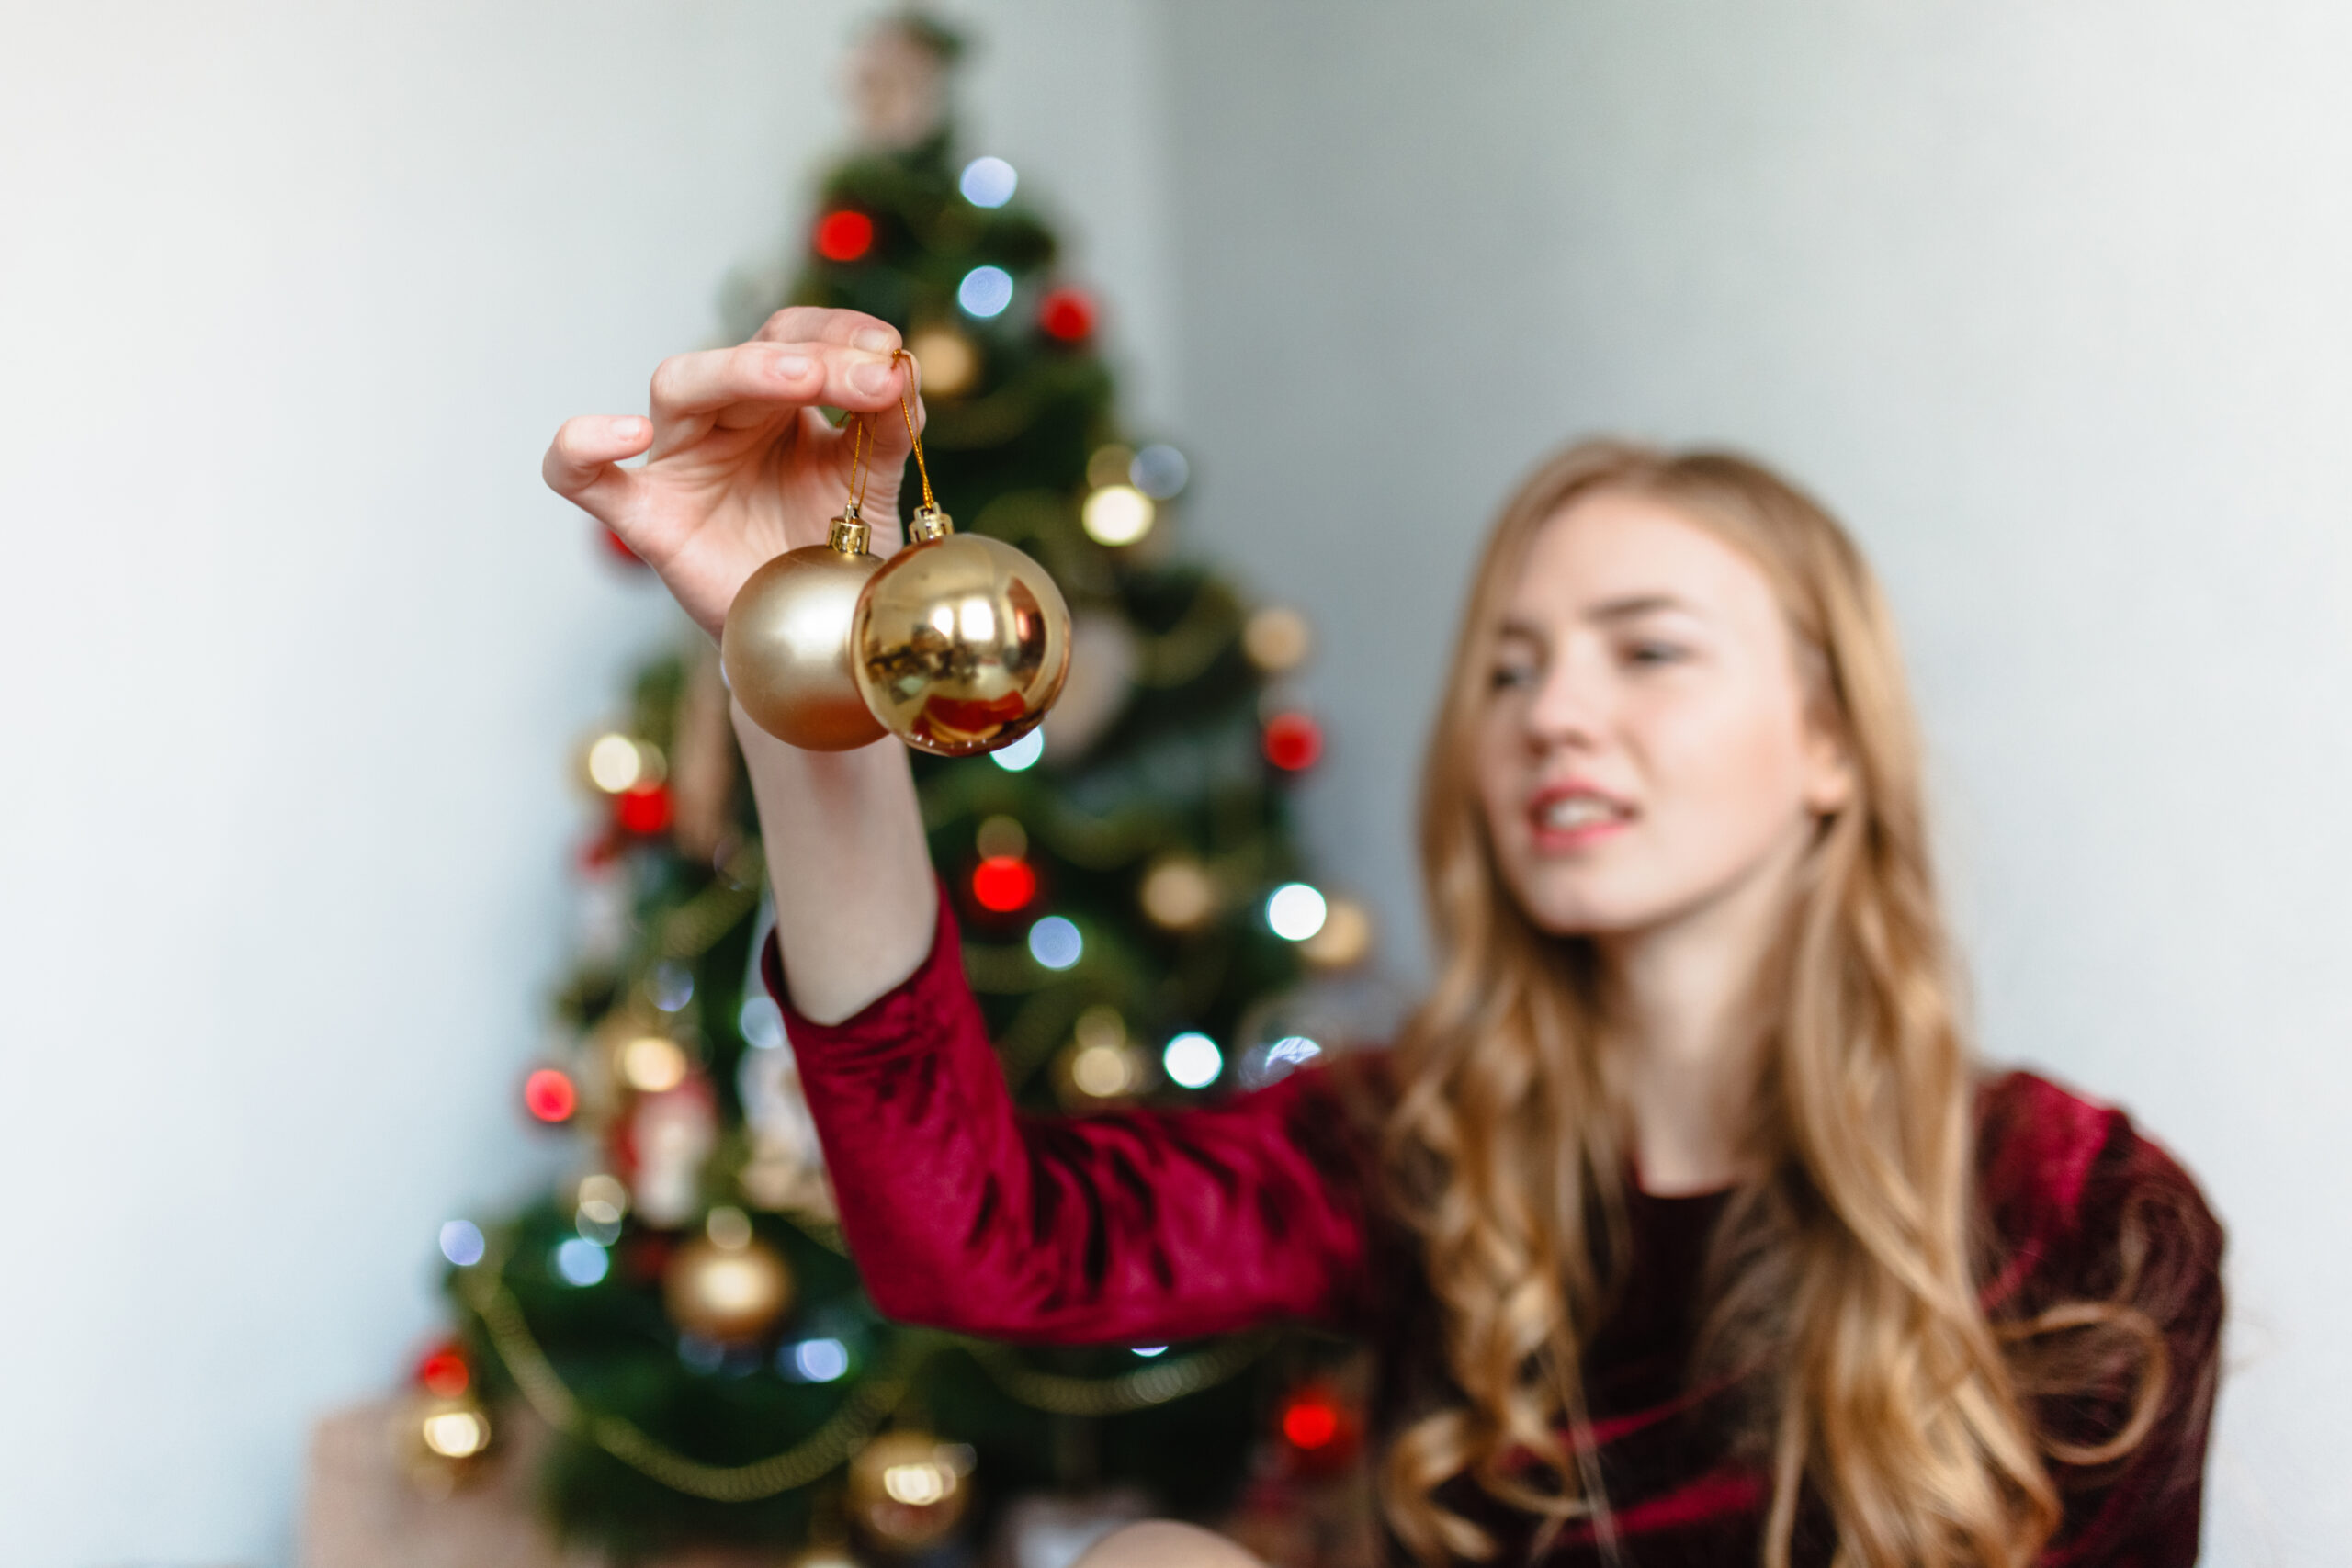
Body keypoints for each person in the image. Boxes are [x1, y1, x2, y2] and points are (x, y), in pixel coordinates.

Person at [545, 309, 2223, 1568]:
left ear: (1835, 743)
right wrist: (814, 676)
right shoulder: (1417, 1147)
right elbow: (975, 1240)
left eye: (1645, 652)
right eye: (1510, 666)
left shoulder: (2082, 1218)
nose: (1551, 713)